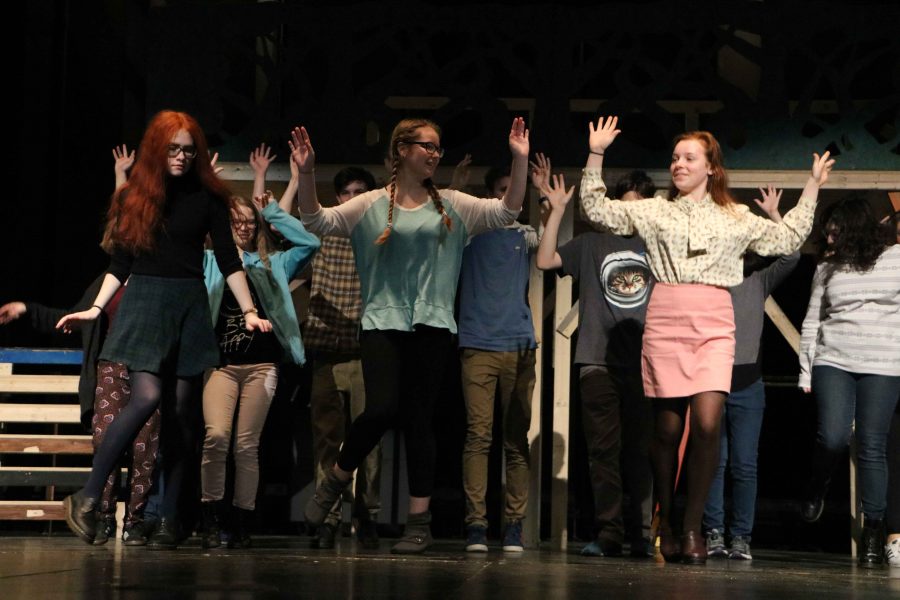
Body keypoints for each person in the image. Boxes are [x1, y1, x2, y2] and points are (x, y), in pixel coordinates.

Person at [579, 115, 833, 564]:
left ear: (711, 167)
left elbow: (789, 236)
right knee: (667, 429)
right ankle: (668, 519)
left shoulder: (736, 216)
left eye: (689, 157)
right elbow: (599, 211)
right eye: (675, 157)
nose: (678, 164)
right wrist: (596, 154)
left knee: (709, 423)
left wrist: (812, 185)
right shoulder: (655, 209)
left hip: (715, 321)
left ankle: (694, 529)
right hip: (667, 318)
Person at [292, 116, 530, 554]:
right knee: (381, 409)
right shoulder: (367, 205)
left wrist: (519, 161)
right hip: (383, 322)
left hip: (434, 324)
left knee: (421, 420)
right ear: (402, 150)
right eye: (427, 146)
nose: (435, 154)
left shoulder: (455, 203)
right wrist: (306, 173)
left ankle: (419, 523)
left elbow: (507, 212)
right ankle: (334, 483)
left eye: (439, 147)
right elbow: (315, 220)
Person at [56, 110, 272, 549]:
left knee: (181, 418)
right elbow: (121, 262)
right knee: (147, 397)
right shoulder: (137, 194)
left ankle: (172, 518)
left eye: (189, 150)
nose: (180, 157)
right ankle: (88, 495)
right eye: (173, 149)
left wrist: (249, 310)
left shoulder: (209, 197)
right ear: (157, 148)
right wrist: (96, 308)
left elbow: (229, 260)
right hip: (147, 302)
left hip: (189, 303)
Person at [537, 170, 656, 558]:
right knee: (604, 452)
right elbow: (544, 259)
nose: (630, 213)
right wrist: (555, 211)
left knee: (640, 452)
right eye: (624, 204)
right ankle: (609, 533)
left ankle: (640, 533)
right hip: (596, 361)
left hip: (645, 363)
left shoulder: (657, 244)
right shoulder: (590, 244)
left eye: (639, 206)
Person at [199, 192, 319, 549]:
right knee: (216, 437)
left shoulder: (273, 263)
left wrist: (271, 212)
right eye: (236, 219)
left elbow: (310, 241)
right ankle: (211, 517)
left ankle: (241, 521)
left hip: (261, 366)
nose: (244, 225)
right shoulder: (209, 260)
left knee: (246, 445)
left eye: (249, 220)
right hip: (220, 365)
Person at [798, 197, 900, 568]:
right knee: (834, 434)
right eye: (827, 231)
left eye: (836, 230)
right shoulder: (827, 268)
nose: (829, 237)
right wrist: (805, 370)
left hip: (884, 364)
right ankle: (818, 484)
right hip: (834, 360)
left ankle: (873, 530)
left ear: (856, 228)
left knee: (873, 445)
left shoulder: (896, 259)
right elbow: (813, 320)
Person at [703, 185, 801, 561]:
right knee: (714, 462)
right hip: (711, 380)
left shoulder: (757, 278)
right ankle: (713, 532)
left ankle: (740, 536)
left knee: (744, 464)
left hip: (748, 383)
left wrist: (775, 215)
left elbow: (790, 256)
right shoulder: (707, 275)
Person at [457, 156, 546, 553]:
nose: (510, 197)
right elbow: (446, 223)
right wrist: (455, 185)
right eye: (502, 190)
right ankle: (476, 523)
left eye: (516, 191)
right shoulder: (471, 232)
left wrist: (548, 198)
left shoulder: (524, 234)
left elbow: (549, 248)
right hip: (477, 344)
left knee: (515, 439)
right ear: (491, 196)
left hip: (518, 344)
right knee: (478, 436)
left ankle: (514, 524)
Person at [303, 166, 383, 550]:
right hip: (326, 350)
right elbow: (279, 234)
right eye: (347, 192)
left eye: (360, 191)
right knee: (327, 439)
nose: (353, 197)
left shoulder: (380, 234)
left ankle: (367, 514)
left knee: (368, 440)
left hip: (368, 352)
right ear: (338, 198)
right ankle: (328, 519)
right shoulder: (321, 232)